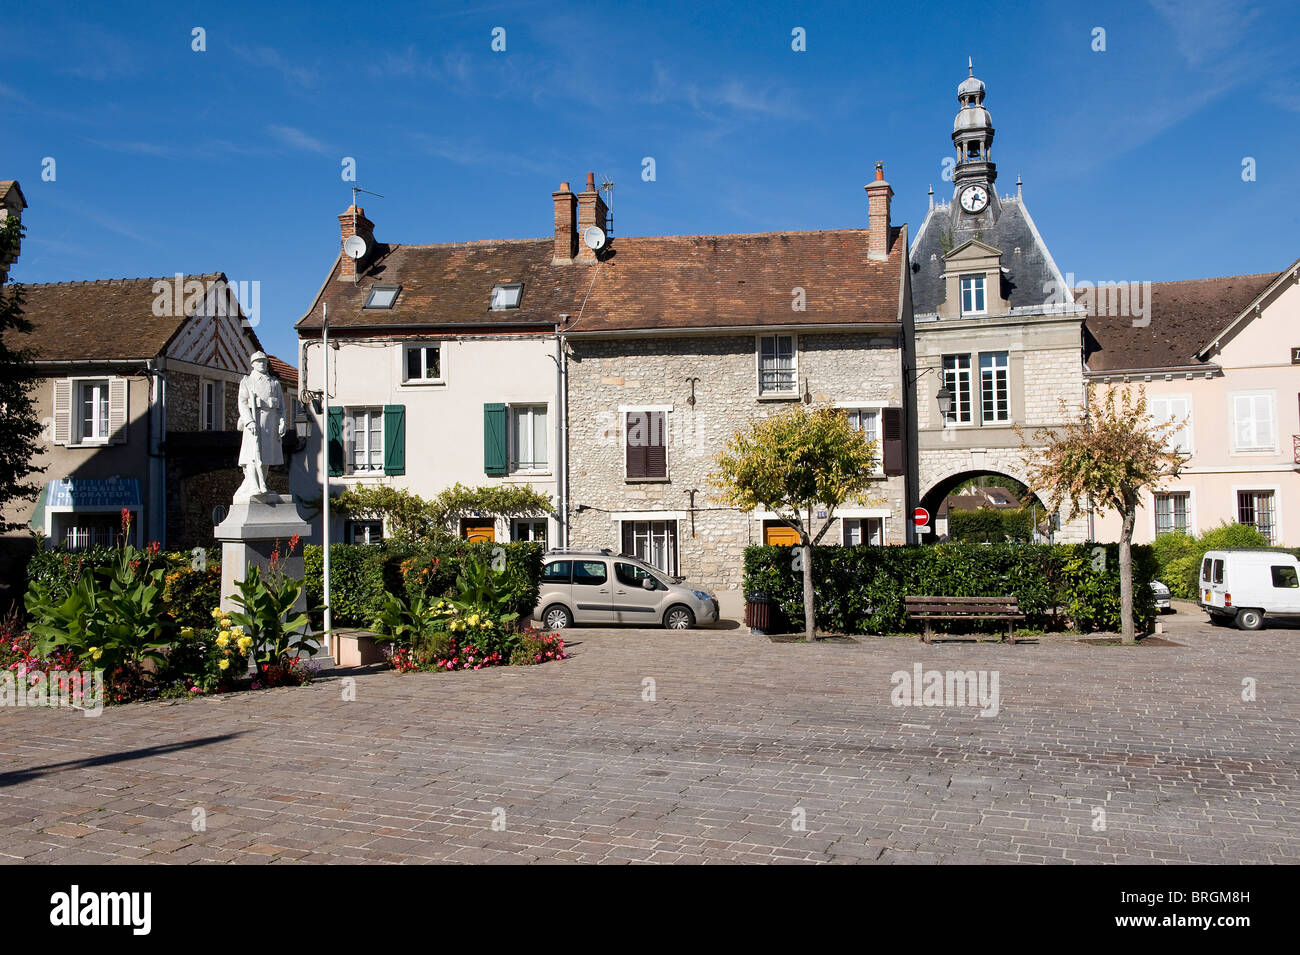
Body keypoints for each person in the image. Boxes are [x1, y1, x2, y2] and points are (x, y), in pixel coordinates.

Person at [233, 352, 286, 503]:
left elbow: (281, 407)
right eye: (258, 361)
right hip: (254, 422)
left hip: (270, 422)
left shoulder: (274, 383)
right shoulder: (247, 381)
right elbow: (242, 403)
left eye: (263, 361)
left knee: (266, 457)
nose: (262, 363)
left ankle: (263, 483)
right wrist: (249, 421)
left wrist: (282, 422)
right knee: (252, 455)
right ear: (253, 364)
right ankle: (254, 485)